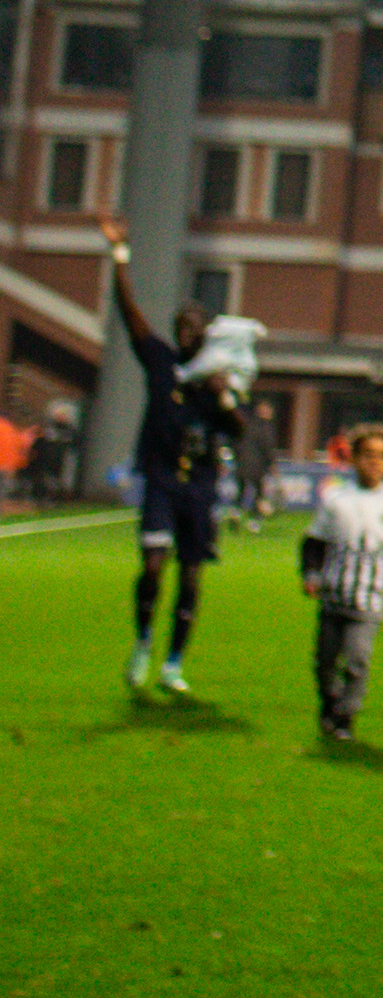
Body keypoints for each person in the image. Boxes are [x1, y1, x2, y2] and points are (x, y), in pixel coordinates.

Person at [96, 212, 254, 698]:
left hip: (200, 486)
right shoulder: (161, 361)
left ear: (206, 333)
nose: (185, 332)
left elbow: (240, 429)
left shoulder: (217, 375)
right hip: (162, 478)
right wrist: (120, 254)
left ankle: (174, 662)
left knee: (190, 578)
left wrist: (223, 397)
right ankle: (143, 641)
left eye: (193, 326)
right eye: (180, 325)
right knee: (152, 567)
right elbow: (128, 310)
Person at [301, 423, 383, 745]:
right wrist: (310, 573)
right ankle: (330, 704)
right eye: (367, 454)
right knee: (325, 663)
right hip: (333, 596)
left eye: (382, 456)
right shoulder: (336, 500)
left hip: (371, 601)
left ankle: (345, 718)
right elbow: (314, 542)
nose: (374, 461)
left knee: (357, 659)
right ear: (354, 458)